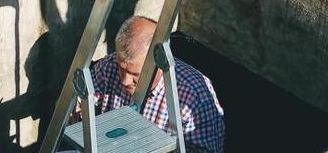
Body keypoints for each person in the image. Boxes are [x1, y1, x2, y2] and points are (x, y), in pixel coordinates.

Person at [71, 16, 225, 152]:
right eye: (121, 68)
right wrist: (76, 109)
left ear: (159, 65)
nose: (124, 80)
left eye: (135, 74)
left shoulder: (194, 93)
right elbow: (78, 105)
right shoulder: (109, 66)